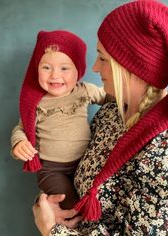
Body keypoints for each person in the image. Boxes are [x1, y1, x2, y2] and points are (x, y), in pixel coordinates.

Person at [32, 0, 168, 235]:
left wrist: (52, 230)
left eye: (103, 58)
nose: (94, 67)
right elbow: (74, 170)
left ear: (131, 67)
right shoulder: (112, 114)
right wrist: (51, 204)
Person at [10, 30, 106, 209]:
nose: (54, 75)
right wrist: (19, 143)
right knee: (68, 202)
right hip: (51, 170)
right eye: (46, 67)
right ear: (36, 68)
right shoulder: (35, 102)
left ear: (79, 70)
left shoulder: (84, 90)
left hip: (85, 163)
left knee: (96, 198)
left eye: (64, 68)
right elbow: (21, 128)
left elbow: (110, 97)